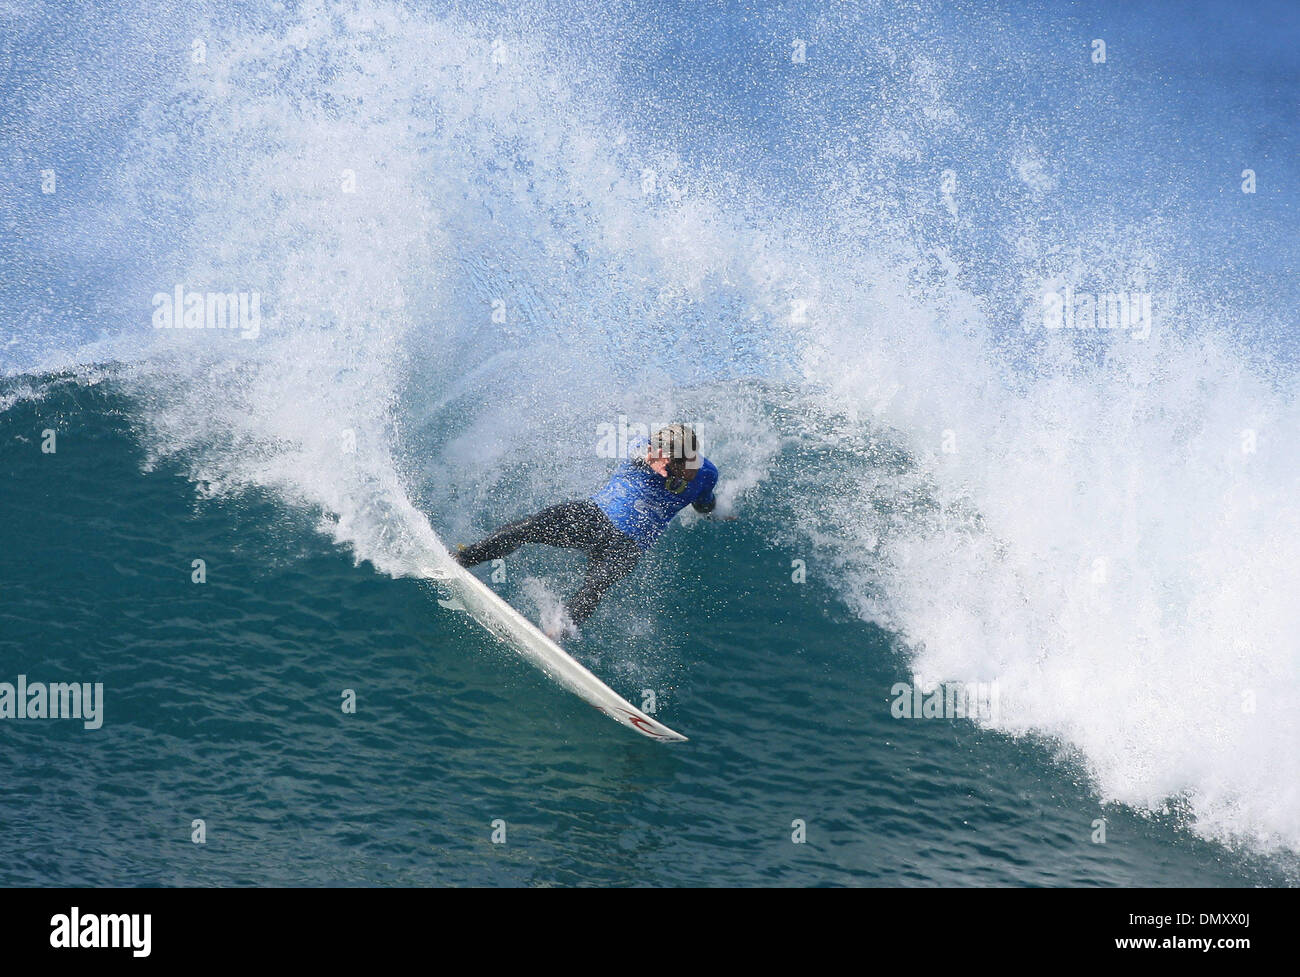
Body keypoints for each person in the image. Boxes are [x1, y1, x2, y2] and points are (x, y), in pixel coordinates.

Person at [454, 424, 723, 636]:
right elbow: (638, 452)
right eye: (680, 463)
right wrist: (648, 459)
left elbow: (704, 502)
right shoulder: (645, 448)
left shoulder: (707, 472)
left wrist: (715, 513)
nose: (689, 468)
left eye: (691, 460)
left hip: (630, 544)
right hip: (594, 516)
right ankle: (464, 558)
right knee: (527, 527)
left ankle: (554, 634)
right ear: (663, 455)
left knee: (596, 585)